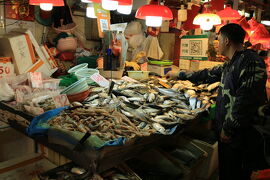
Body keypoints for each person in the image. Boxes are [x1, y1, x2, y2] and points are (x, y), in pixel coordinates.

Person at [166, 23, 269, 180]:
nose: (217, 43)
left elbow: (246, 101)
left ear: (226, 40)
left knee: (237, 173)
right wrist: (179, 75)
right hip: (228, 132)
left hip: (241, 134)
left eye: (218, 39)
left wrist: (229, 128)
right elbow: (208, 74)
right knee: (227, 171)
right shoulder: (231, 62)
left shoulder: (251, 62)